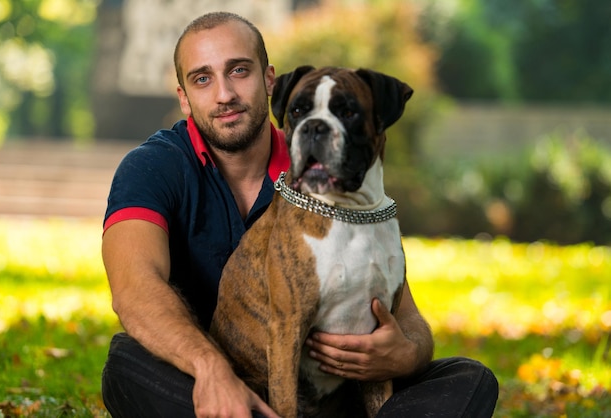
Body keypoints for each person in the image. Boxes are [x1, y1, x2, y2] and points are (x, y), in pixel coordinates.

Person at [101, 11, 499, 418]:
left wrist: (406, 352)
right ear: (183, 96)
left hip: (338, 393)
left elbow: (405, 314)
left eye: (239, 71)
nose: (224, 94)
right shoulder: (152, 167)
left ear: (270, 79)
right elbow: (135, 291)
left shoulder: (330, 175)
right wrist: (211, 370)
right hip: (213, 387)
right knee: (127, 363)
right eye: (202, 79)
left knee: (469, 378)